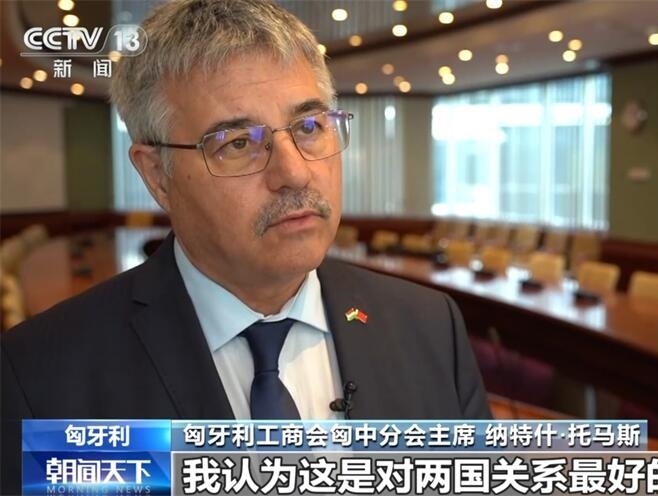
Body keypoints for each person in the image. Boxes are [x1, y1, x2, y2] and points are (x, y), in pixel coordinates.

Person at [1, 0, 490, 491]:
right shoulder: (40, 375)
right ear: (157, 175)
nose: (294, 172)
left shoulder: (431, 327)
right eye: (237, 143)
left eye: (309, 127)